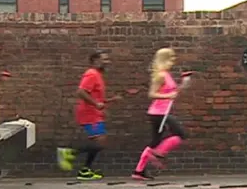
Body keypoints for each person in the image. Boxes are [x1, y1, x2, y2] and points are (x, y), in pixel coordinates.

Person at [57, 50, 121, 180]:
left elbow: (95, 97)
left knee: (97, 143)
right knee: (100, 143)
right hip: (89, 114)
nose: (107, 62)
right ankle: (68, 153)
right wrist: (96, 104)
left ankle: (85, 171)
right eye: (104, 59)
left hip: (94, 113)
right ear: (95, 61)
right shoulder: (91, 74)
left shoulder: (97, 75)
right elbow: (81, 92)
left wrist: (110, 100)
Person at [131, 48, 190, 180]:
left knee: (155, 140)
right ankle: (158, 153)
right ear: (165, 59)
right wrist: (168, 95)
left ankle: (139, 170)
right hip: (158, 113)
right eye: (172, 58)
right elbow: (152, 94)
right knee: (180, 133)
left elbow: (173, 92)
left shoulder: (166, 74)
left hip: (163, 111)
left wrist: (183, 84)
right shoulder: (160, 75)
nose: (174, 60)